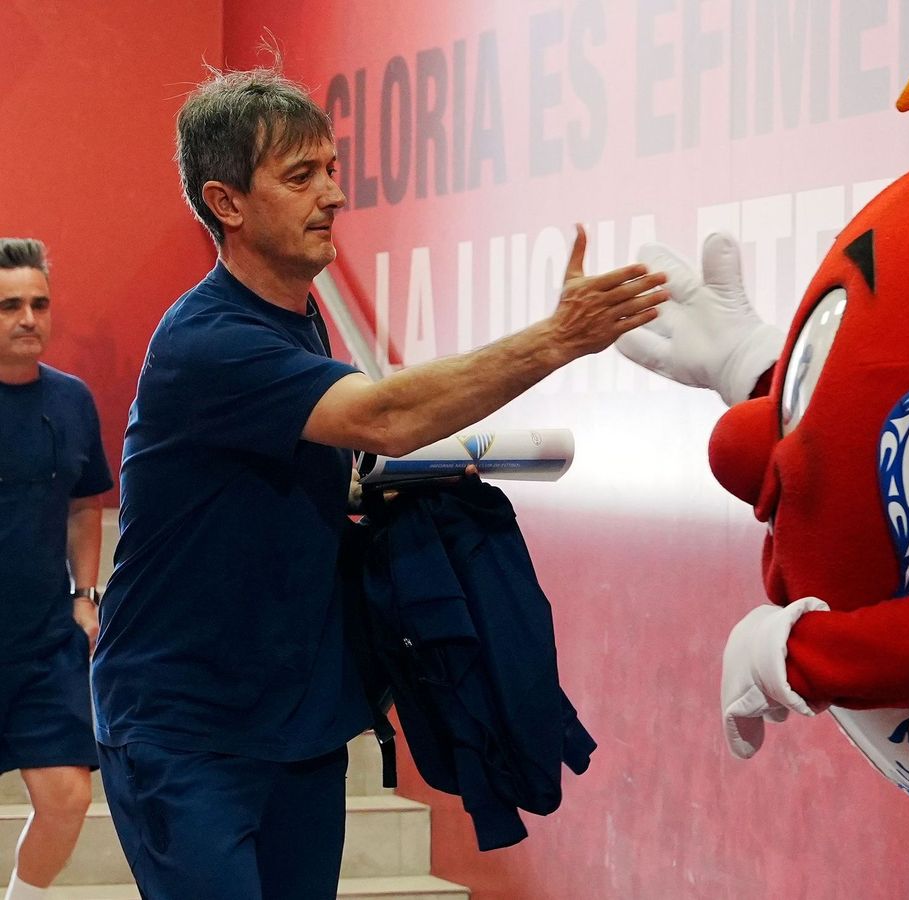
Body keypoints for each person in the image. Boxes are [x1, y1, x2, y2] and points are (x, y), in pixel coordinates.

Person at [92, 63, 666, 900]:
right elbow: (385, 416)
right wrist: (556, 341)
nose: (331, 194)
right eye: (300, 177)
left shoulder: (301, 320)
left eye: (330, 169)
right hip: (186, 732)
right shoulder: (206, 340)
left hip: (299, 722)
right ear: (227, 203)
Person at [0, 238, 113, 900]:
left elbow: (83, 503)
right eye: (10, 304)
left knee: (67, 795)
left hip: (44, 637)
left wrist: (85, 596)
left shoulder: (71, 401)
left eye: (39, 303)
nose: (28, 318)